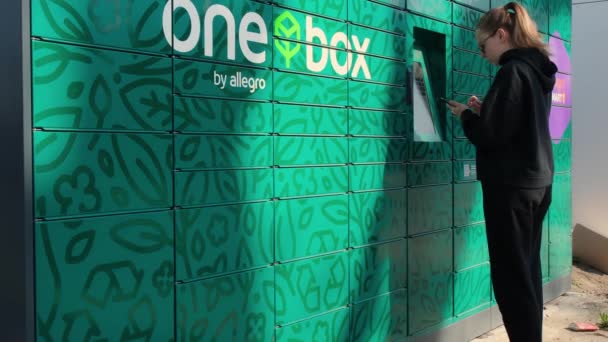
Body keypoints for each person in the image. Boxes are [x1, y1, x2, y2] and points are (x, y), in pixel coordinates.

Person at [446, 2, 557, 341]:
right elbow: (515, 122)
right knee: (527, 272)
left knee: (511, 278)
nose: (482, 53)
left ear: (501, 34)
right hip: (537, 181)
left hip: (511, 187)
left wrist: (466, 114)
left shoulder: (512, 71)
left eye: (483, 45)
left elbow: (489, 136)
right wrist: (487, 109)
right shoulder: (536, 71)